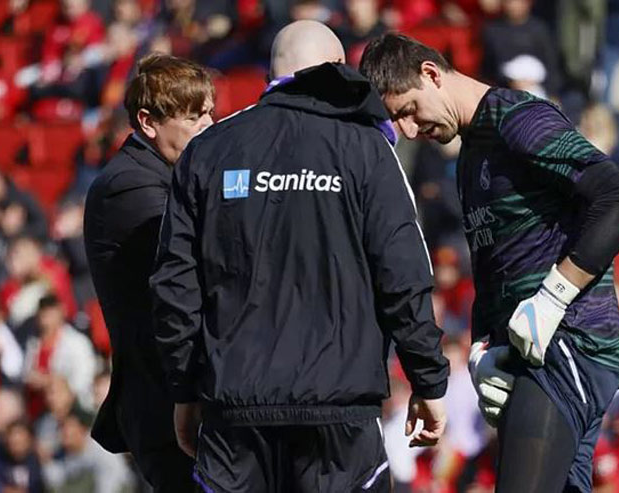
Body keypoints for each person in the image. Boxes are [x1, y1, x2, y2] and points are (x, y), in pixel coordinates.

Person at [150, 20, 449, 492]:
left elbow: (175, 287)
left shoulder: (207, 151)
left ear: (274, 75)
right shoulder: (368, 148)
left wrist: (183, 392)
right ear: (336, 70)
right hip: (339, 415)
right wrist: (428, 381)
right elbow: (403, 276)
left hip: (235, 415)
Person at [359, 33, 619, 492]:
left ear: (431, 74)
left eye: (408, 110)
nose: (410, 130)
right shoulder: (474, 149)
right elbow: (495, 264)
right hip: (533, 351)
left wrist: (554, 296)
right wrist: (483, 349)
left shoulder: (519, 118)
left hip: (567, 341)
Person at [83, 53, 214, 492]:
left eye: (210, 112)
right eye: (194, 116)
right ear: (149, 122)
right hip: (163, 405)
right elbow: (198, 254)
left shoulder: (171, 175)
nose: (208, 126)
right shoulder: (128, 185)